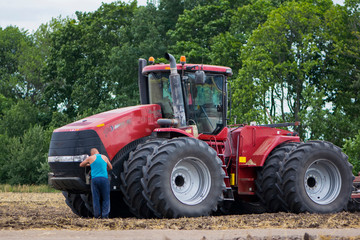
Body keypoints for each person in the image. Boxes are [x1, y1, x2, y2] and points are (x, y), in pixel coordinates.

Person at [80, 148, 112, 218]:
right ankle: (105, 215)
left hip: (95, 180)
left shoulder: (91, 158)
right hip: (104, 179)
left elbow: (81, 165)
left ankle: (97, 215)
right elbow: (110, 167)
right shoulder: (105, 157)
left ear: (92, 153)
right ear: (98, 152)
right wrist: (104, 168)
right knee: (106, 198)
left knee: (96, 198)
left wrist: (89, 164)